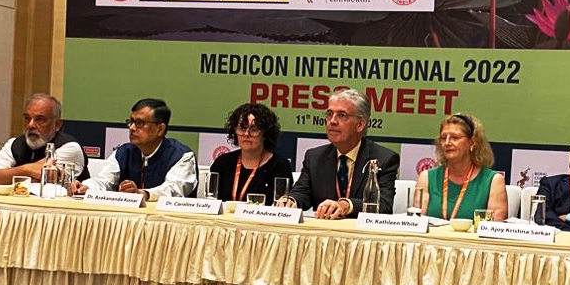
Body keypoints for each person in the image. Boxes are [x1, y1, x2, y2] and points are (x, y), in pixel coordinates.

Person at [289, 88, 399, 219]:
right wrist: (290, 201)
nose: (332, 121)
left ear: (360, 124)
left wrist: (347, 205)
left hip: (360, 230)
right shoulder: (314, 157)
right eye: (329, 114)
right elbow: (302, 193)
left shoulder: (384, 159)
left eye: (342, 115)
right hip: (323, 229)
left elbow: (384, 205)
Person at [70, 98, 197, 201]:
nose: (131, 127)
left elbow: (174, 190)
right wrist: (86, 187)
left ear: (160, 129)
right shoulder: (123, 153)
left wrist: (144, 194)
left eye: (139, 123)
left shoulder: (182, 156)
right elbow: (105, 180)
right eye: (131, 122)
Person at [415, 113, 508, 221]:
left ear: (472, 142)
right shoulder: (426, 178)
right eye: (443, 138)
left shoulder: (493, 181)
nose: (447, 143)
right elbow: (417, 223)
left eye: (455, 138)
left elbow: (492, 227)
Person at [0, 93, 89, 186]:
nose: (30, 125)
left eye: (40, 119)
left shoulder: (70, 148)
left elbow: (46, 180)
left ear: (57, 125)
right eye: (27, 118)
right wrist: (26, 169)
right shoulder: (13, 144)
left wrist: (6, 176)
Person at [210, 103, 292, 204]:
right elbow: (211, 201)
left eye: (254, 130)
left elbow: (281, 205)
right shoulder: (222, 163)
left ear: (265, 134)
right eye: (242, 128)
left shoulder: (280, 166)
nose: (246, 134)